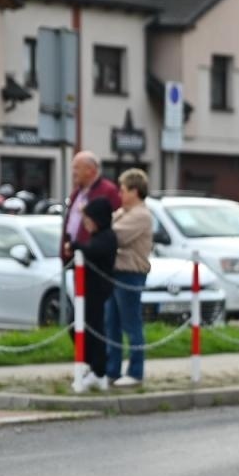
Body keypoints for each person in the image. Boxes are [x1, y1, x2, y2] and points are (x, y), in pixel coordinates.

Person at [106, 167, 154, 388]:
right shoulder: (123, 212)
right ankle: (112, 369)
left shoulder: (140, 215)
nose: (120, 194)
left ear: (135, 191)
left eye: (123, 190)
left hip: (130, 274)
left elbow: (114, 236)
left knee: (130, 324)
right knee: (111, 324)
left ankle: (136, 371)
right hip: (115, 272)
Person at [74, 195, 116, 390]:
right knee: (79, 329)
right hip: (88, 291)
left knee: (95, 331)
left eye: (88, 220)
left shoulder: (107, 237)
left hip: (98, 292)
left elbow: (94, 251)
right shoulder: (97, 236)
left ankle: (99, 371)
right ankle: (93, 367)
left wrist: (76, 246)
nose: (86, 224)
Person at [61, 151, 120, 261]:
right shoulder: (76, 193)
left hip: (94, 259)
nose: (73, 172)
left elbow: (114, 223)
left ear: (90, 170)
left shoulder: (108, 191)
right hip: (76, 256)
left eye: (76, 168)